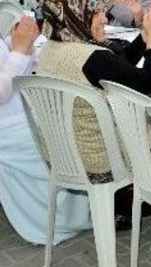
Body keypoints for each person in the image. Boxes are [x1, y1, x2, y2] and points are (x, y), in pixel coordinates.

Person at [37, 0, 151, 183]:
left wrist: (144, 36)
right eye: (96, 12)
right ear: (77, 14)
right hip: (99, 163)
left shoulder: (53, 46)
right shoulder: (91, 58)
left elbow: (120, 69)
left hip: (62, 155)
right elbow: (148, 83)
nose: (105, 19)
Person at [0, 16, 91, 245]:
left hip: (22, 114)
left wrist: (24, 45)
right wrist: (19, 51)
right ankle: (68, 218)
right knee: (71, 142)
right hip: (10, 129)